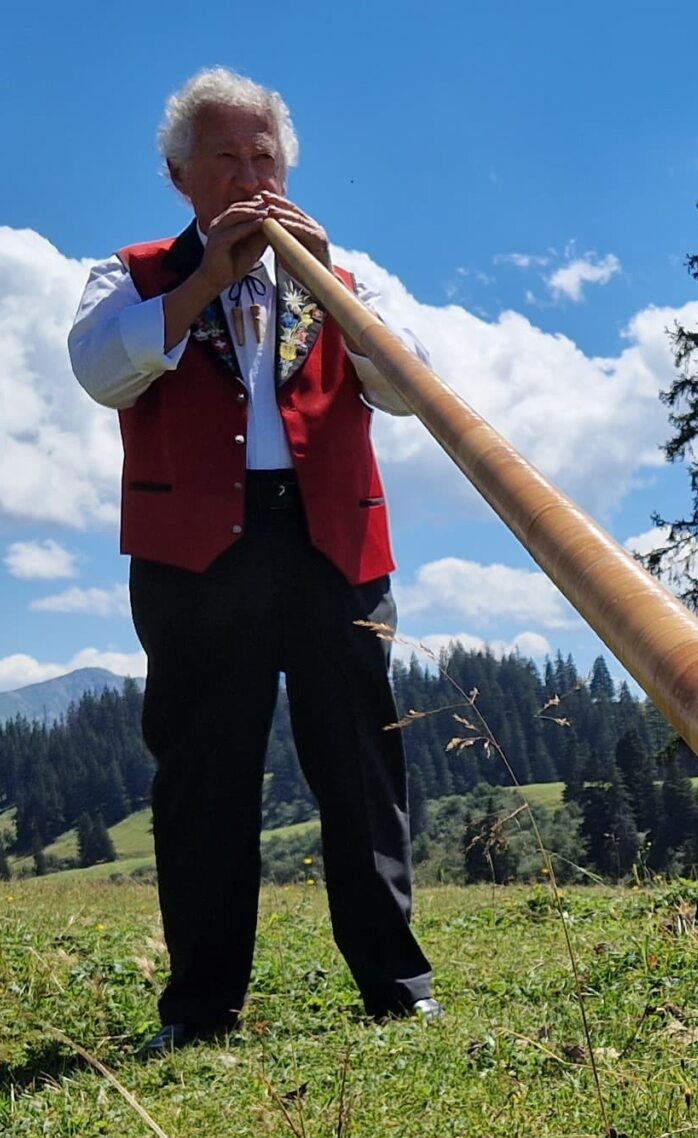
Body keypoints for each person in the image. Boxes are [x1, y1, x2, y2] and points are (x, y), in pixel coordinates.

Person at [69, 67, 439, 1055]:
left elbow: (409, 391)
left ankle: (398, 987)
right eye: (226, 156)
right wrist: (202, 286)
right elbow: (102, 370)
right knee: (204, 772)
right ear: (179, 176)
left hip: (332, 542)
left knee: (360, 762)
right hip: (196, 556)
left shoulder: (341, 274)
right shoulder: (135, 274)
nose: (248, 173)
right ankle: (199, 1009)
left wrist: (327, 281)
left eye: (263, 155)